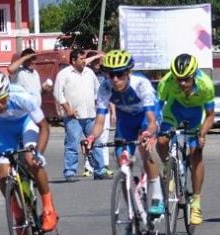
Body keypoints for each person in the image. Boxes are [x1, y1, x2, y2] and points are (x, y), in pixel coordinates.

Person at [0, 67, 58, 233]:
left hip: (27, 123)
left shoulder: (23, 97)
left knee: (31, 161)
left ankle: (48, 208)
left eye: (2, 99)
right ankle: (18, 214)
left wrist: (39, 154)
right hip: (5, 129)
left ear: (7, 93)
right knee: (2, 174)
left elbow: (44, 127)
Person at [82, 50, 163, 217]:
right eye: (111, 75)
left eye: (119, 74)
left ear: (128, 73)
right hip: (125, 121)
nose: (115, 79)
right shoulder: (105, 88)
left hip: (145, 118)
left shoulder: (141, 84)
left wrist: (148, 133)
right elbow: (99, 122)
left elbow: (152, 121)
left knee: (145, 149)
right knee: (123, 164)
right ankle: (133, 215)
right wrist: (91, 137)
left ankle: (157, 197)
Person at [155, 53, 216, 226]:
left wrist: (202, 134)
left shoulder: (206, 85)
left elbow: (210, 115)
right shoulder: (166, 81)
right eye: (178, 79)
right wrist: (154, 127)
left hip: (196, 115)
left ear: (194, 75)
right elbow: (157, 108)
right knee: (162, 141)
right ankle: (168, 167)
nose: (182, 83)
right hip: (174, 111)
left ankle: (196, 203)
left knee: (196, 153)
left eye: (186, 79)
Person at [54, 49, 107, 181]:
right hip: (74, 117)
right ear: (73, 60)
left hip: (90, 115)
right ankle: (70, 172)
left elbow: (98, 90)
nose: (84, 61)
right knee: (72, 144)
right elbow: (58, 93)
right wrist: (67, 109)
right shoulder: (64, 74)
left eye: (84, 58)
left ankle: (100, 170)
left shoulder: (89, 72)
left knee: (95, 142)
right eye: (81, 59)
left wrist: (98, 104)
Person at [85, 50, 116, 176]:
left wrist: (113, 111)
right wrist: (96, 56)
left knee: (104, 139)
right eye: (96, 61)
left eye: (100, 61)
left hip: (104, 108)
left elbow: (110, 95)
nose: (99, 63)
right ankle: (89, 167)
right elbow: (84, 62)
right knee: (91, 138)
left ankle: (104, 165)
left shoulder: (105, 75)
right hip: (91, 110)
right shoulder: (86, 72)